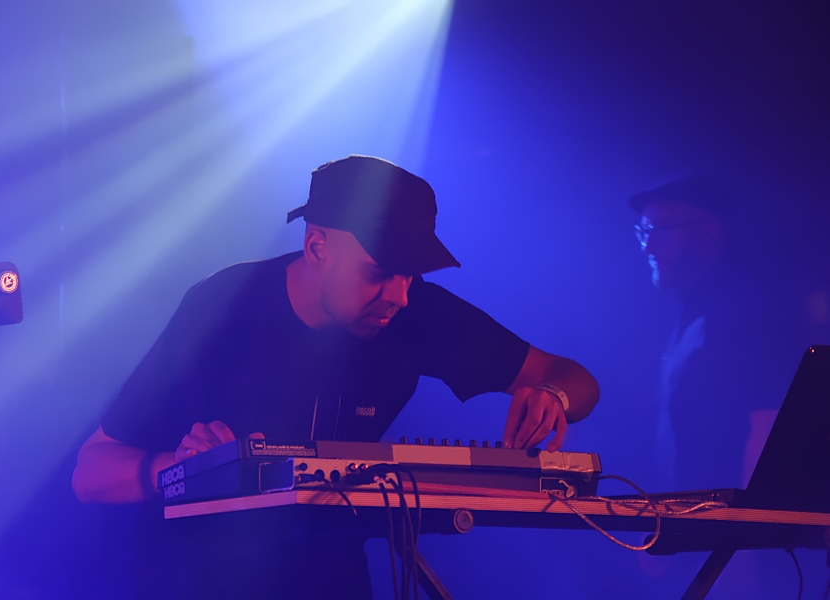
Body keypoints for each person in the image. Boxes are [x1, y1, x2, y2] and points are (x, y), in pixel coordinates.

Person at [72, 155, 600, 599]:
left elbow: (576, 380)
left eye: (410, 274)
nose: (399, 296)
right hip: (200, 579)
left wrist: (551, 393)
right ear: (317, 247)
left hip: (330, 579)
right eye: (378, 272)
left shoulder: (416, 311)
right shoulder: (221, 308)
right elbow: (91, 472)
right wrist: (182, 470)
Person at [630, 176, 811, 598]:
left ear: (710, 229)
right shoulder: (692, 311)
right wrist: (661, 522)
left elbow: (766, 428)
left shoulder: (748, 313)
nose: (648, 246)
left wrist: (740, 546)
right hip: (700, 537)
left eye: (660, 229)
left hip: (731, 547)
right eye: (643, 231)